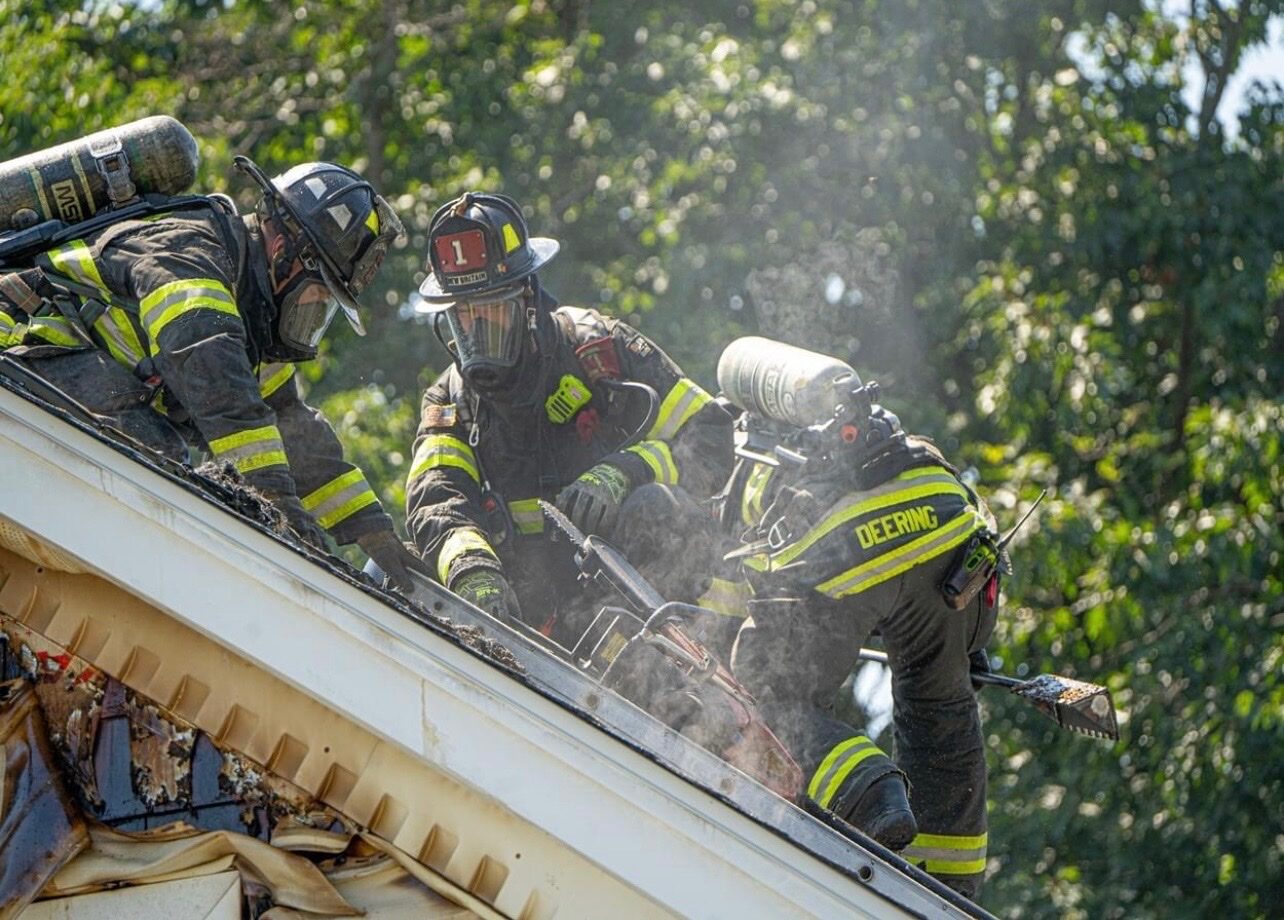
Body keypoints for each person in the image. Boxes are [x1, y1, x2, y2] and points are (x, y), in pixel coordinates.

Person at [0, 155, 427, 591]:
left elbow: (287, 425)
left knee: (159, 460)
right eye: (318, 295)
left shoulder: (253, 312)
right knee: (153, 455)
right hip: (15, 350)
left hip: (64, 377)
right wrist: (279, 508)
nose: (314, 312)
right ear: (284, 253)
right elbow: (222, 393)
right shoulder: (187, 257)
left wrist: (370, 529)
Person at [717, 337, 997, 899]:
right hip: (955, 537)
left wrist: (718, 660)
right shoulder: (877, 427)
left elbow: (729, 599)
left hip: (856, 545)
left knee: (758, 692)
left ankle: (873, 800)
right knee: (939, 705)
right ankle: (948, 886)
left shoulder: (748, 462)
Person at [404, 191, 734, 642]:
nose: (475, 332)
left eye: (490, 311)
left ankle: (662, 668)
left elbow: (711, 438)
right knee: (404, 569)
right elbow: (437, 499)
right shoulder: (451, 399)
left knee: (656, 507)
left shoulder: (600, 350)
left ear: (527, 300)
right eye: (463, 316)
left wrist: (626, 471)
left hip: (646, 596)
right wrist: (472, 569)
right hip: (533, 610)